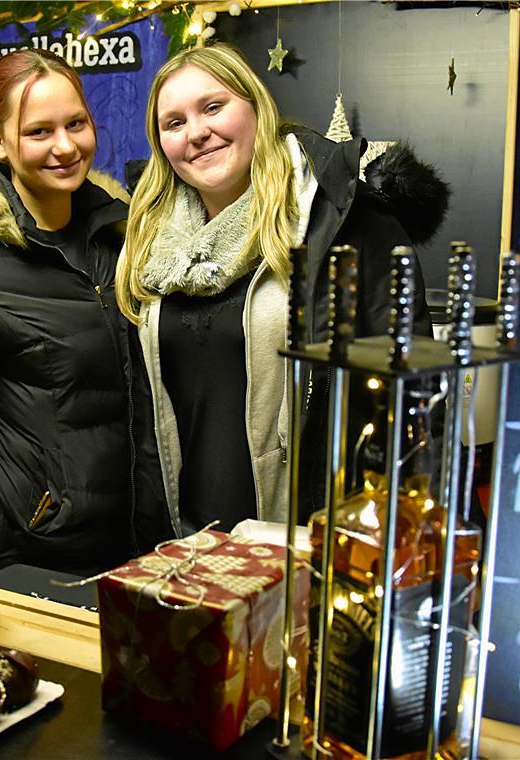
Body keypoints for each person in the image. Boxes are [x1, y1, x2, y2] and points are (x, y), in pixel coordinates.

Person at [116, 43, 442, 545]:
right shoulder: (148, 241)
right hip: (185, 544)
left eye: (212, 107)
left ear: (256, 108)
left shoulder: (341, 221)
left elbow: (410, 401)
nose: (197, 132)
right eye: (173, 123)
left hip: (302, 542)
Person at [0, 49, 162, 575]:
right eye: (39, 131)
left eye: (76, 124)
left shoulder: (123, 242)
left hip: (136, 544)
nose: (65, 147)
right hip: (40, 557)